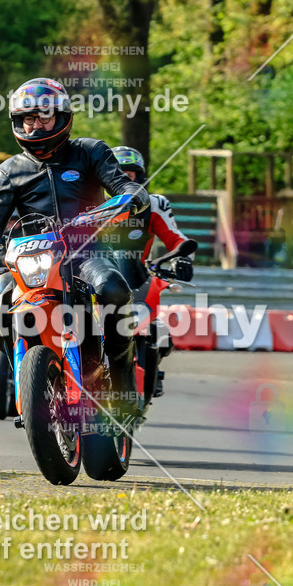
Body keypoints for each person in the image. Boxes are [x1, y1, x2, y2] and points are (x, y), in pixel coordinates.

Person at [0, 77, 151, 416]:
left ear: (62, 117)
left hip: (87, 252)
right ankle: (29, 378)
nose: (36, 125)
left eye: (44, 116)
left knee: (113, 289)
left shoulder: (90, 152)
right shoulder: (8, 172)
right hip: (34, 260)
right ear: (17, 122)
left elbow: (123, 185)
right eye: (28, 118)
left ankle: (121, 377)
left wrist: (132, 195)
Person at [110, 145, 196, 397]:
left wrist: (182, 259)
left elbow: (177, 239)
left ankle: (150, 358)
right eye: (117, 174)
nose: (124, 179)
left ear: (140, 176)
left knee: (157, 320)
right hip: (88, 276)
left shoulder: (154, 204)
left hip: (135, 276)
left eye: (130, 174)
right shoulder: (85, 202)